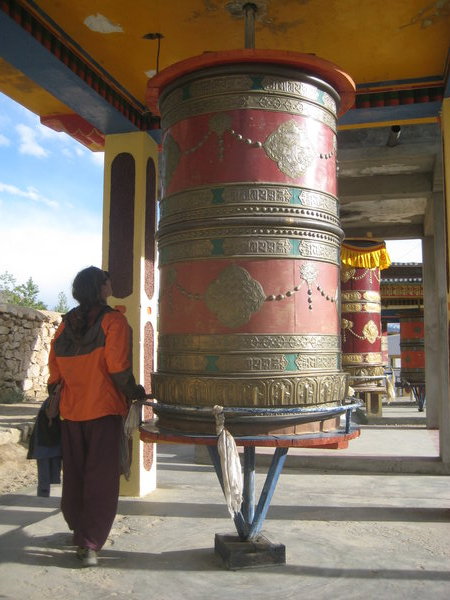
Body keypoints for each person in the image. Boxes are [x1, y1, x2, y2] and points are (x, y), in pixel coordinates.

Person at [47, 266, 146, 567]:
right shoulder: (113, 321)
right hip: (103, 410)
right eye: (108, 280)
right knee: (100, 478)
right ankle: (89, 544)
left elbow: (55, 371)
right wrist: (134, 390)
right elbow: (117, 367)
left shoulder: (66, 324)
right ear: (101, 288)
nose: (111, 282)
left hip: (71, 410)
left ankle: (78, 527)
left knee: (75, 473)